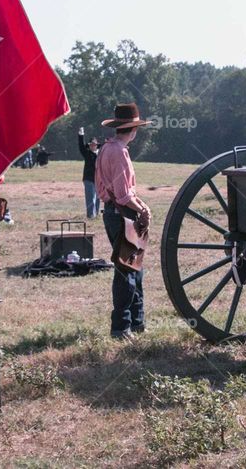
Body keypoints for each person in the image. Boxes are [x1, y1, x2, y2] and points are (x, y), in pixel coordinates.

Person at [94, 103, 153, 340]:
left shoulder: (107, 149)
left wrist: (141, 206)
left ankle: (137, 322)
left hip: (116, 213)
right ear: (133, 129)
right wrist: (143, 209)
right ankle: (121, 328)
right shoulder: (118, 152)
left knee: (134, 269)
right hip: (121, 215)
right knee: (127, 271)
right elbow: (123, 194)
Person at [78, 127, 100, 218]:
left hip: (99, 179)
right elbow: (81, 146)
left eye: (94, 144)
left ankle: (96, 214)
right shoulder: (87, 153)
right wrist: (81, 135)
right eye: (91, 144)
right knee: (91, 198)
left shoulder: (101, 153)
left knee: (98, 198)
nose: (92, 146)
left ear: (96, 145)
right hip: (88, 178)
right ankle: (91, 215)